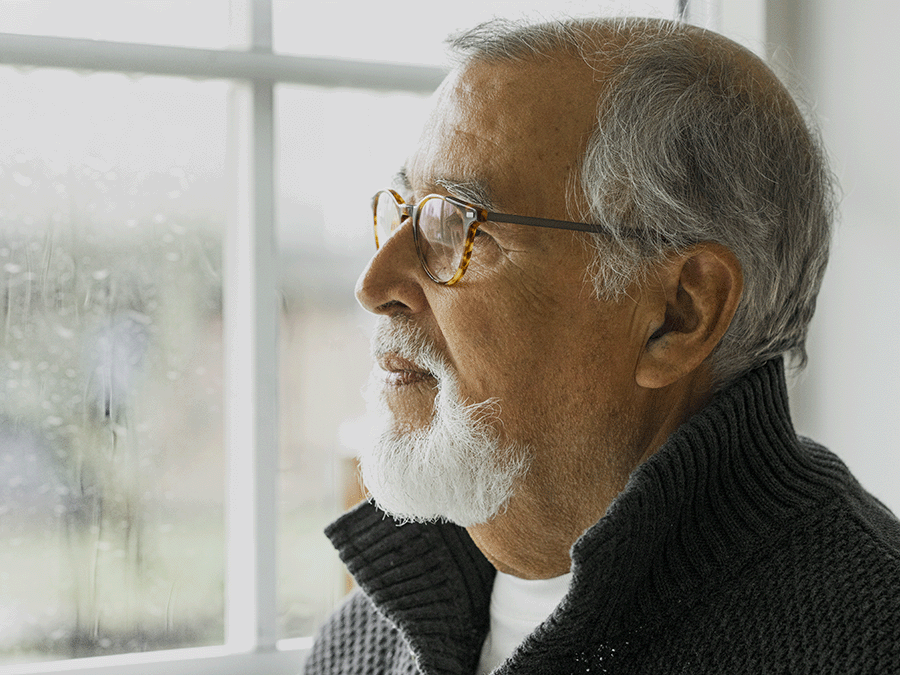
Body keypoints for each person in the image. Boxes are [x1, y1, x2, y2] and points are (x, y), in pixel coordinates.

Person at [303, 16, 900, 675]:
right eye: (406, 210)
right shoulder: (363, 636)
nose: (375, 282)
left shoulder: (866, 639)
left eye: (455, 225)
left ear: (679, 314)